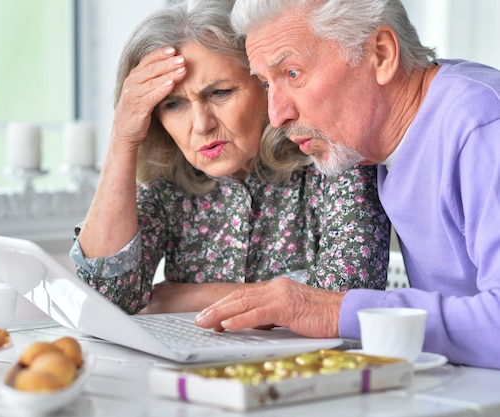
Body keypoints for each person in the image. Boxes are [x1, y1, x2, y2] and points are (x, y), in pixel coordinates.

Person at [194, 0, 500, 369]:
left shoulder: (483, 128)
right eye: (265, 83)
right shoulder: (379, 147)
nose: (276, 116)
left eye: (292, 73)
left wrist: (335, 311)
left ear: (382, 54)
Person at [70, 0, 390, 316]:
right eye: (173, 105)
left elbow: (345, 297)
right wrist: (122, 138)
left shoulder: (333, 156)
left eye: (220, 93)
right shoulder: (167, 184)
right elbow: (105, 300)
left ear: (265, 86)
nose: (201, 125)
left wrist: (181, 297)